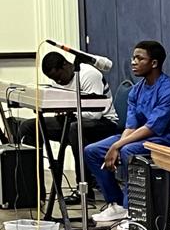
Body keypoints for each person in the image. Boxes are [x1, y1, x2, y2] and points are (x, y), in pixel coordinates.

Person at [85, 40, 170, 226]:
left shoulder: (169, 91)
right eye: (133, 58)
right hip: (140, 138)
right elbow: (131, 126)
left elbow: (152, 128)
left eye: (139, 59)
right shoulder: (136, 90)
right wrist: (117, 146)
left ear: (154, 63)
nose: (133, 62)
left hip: (166, 140)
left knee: (128, 151)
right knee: (92, 151)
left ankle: (133, 211)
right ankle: (117, 204)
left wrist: (118, 146)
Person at [17, 51, 120, 198]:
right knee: (29, 127)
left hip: (104, 123)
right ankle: (33, 190)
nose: (58, 81)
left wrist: (68, 112)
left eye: (59, 77)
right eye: (54, 79)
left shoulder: (89, 75)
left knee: (74, 128)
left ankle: (84, 188)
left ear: (66, 65)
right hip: (72, 120)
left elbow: (95, 113)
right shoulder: (57, 81)